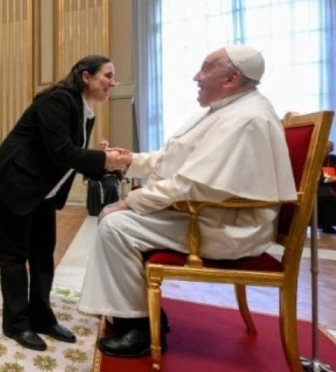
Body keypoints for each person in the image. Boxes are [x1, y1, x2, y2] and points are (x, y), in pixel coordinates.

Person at [78, 45, 297, 358]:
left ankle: (140, 327)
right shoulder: (226, 111)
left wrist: (135, 201)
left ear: (232, 78)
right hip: (209, 215)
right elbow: (172, 161)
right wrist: (125, 162)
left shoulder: (245, 119)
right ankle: (139, 312)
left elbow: (194, 184)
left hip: (227, 226)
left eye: (206, 69)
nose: (197, 76)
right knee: (116, 220)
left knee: (117, 225)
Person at [0, 55, 122, 351]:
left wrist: (101, 162)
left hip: (42, 190)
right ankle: (17, 323)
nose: (113, 82)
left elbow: (65, 157)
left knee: (43, 255)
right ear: (86, 76)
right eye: (107, 76)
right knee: (14, 257)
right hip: (14, 184)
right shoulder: (59, 100)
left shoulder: (84, 110)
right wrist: (104, 160)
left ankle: (42, 316)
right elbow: (61, 151)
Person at [318, 140, 336, 233]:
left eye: (327, 148)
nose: (324, 150)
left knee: (327, 195)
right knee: (323, 195)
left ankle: (327, 225)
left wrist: (330, 179)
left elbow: (332, 178)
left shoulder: (333, 159)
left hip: (330, 186)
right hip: (314, 185)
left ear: (331, 150)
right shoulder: (314, 158)